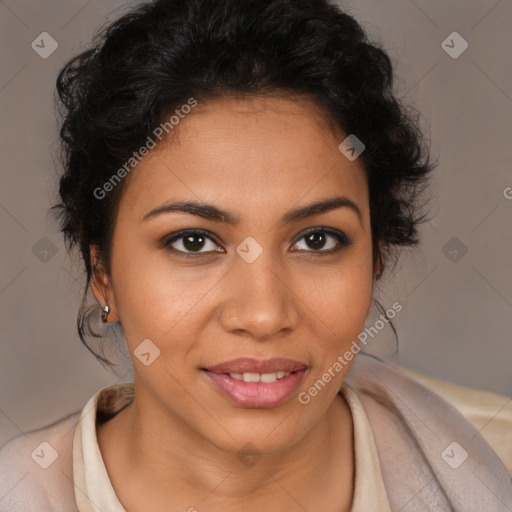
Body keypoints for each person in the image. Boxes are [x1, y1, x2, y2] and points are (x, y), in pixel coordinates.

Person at [0, 0, 511, 510]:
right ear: (103, 273)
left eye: (316, 240)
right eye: (193, 241)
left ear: (376, 256)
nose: (264, 315)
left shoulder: (495, 463)